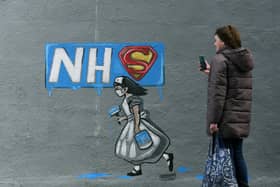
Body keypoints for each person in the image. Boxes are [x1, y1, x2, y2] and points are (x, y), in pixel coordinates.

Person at [200, 25, 254, 187]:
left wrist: (214, 121)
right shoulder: (242, 59)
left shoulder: (220, 60)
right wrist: (212, 73)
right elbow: (234, 83)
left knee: (226, 156)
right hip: (240, 117)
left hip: (225, 119)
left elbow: (218, 95)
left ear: (223, 42)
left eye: (216, 40)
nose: (214, 44)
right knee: (237, 154)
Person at [113, 76, 174, 176]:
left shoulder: (133, 99)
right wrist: (123, 118)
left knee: (143, 146)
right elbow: (131, 115)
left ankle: (165, 156)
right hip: (130, 124)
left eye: (118, 89)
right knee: (135, 149)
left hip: (136, 125)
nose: (117, 92)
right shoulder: (126, 99)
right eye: (115, 89)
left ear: (125, 89)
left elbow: (136, 114)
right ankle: (140, 167)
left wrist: (136, 128)